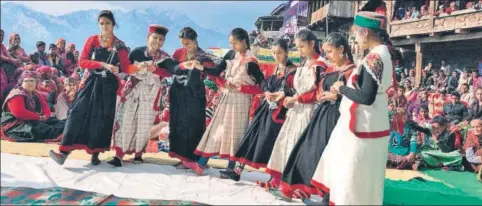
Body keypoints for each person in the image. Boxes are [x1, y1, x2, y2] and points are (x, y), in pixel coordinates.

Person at [310, 11, 394, 205]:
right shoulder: (384, 53)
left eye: (356, 34)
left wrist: (341, 89)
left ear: (365, 32)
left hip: (363, 124)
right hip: (372, 122)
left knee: (353, 170)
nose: (355, 39)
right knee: (363, 173)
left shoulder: (374, 57)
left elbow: (366, 97)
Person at [277, 32, 355, 201]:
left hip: (338, 116)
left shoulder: (351, 71)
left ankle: (328, 197)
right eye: (325, 51)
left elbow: (357, 95)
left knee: (331, 154)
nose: (327, 55)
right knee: (310, 150)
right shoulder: (330, 69)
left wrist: (338, 95)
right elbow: (320, 89)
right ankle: (303, 189)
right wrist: (322, 95)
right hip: (323, 115)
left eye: (330, 51)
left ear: (341, 49)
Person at [49, 10, 132, 166]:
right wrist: (102, 64)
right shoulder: (93, 40)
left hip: (108, 85)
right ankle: (64, 152)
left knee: (101, 118)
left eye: (107, 23)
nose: (105, 26)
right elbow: (83, 62)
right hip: (91, 81)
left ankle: (95, 153)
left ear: (113, 24)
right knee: (77, 112)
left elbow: (126, 68)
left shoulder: (120, 45)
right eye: (101, 23)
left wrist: (118, 69)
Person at [183, 28, 265, 175]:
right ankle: (201, 164)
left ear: (243, 42)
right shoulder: (231, 55)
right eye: (230, 43)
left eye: (234, 43)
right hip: (227, 97)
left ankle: (230, 167)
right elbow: (218, 70)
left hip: (241, 101)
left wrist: (239, 87)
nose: (232, 46)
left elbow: (261, 88)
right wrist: (202, 68)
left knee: (235, 134)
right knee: (216, 129)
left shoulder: (251, 62)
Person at [221, 39, 297, 180]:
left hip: (280, 112)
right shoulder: (274, 68)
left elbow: (295, 90)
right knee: (251, 135)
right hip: (266, 109)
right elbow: (264, 83)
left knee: (273, 143)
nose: (276, 56)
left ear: (286, 52)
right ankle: (237, 170)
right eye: (273, 53)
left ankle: (275, 178)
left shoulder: (293, 70)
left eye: (279, 53)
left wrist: (283, 94)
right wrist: (267, 92)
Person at [260, 30, 326, 192]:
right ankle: (280, 179)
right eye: (298, 47)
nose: (300, 51)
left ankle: (298, 186)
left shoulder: (320, 65)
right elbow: (296, 89)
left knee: (299, 146)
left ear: (312, 44)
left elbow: (318, 93)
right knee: (285, 142)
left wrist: (297, 99)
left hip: (309, 110)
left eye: (302, 47)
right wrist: (290, 98)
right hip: (296, 110)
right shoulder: (304, 63)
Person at [108, 25, 171, 167]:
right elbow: (125, 68)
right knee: (125, 120)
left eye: (161, 39)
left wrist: (157, 70)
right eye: (155, 37)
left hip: (150, 93)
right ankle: (119, 154)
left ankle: (138, 154)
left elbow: (169, 73)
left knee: (144, 124)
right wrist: (137, 68)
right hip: (133, 90)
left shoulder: (165, 58)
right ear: (148, 37)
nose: (158, 41)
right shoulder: (136, 52)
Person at [157, 27, 217, 169]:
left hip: (195, 94)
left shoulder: (203, 56)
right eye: (183, 43)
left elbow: (213, 71)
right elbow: (171, 68)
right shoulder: (178, 53)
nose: (185, 46)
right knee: (178, 125)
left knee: (194, 125)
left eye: (188, 43)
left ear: (195, 41)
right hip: (178, 91)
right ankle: (181, 157)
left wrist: (202, 67)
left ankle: (194, 158)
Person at [1, 71, 65, 142]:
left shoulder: (37, 94)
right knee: (41, 129)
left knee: (60, 123)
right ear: (21, 82)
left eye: (33, 81)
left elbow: (46, 109)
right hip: (17, 122)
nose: (30, 83)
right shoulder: (17, 94)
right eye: (27, 81)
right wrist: (38, 117)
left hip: (35, 119)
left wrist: (45, 116)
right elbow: (20, 113)